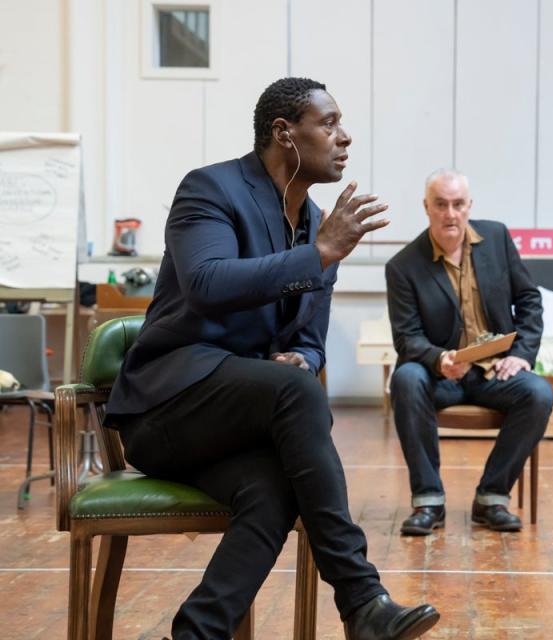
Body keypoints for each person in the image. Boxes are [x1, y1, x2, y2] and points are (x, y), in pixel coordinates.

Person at [105, 77, 439, 640]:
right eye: (328, 124)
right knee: (296, 395)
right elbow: (207, 283)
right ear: (285, 133)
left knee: (274, 491)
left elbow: (311, 337)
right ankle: (361, 600)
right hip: (166, 410)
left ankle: (196, 633)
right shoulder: (210, 189)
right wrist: (321, 254)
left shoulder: (315, 223)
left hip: (237, 420)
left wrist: (303, 359)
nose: (344, 137)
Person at [385, 169, 553, 535]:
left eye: (458, 204)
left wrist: (522, 353)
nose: (450, 214)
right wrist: (438, 359)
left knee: (539, 393)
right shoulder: (402, 266)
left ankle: (492, 497)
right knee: (405, 377)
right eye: (441, 205)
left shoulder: (496, 238)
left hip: (495, 373)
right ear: (426, 207)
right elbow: (407, 338)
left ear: (469, 206)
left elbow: (529, 299)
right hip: (438, 375)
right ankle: (428, 500)